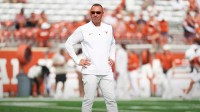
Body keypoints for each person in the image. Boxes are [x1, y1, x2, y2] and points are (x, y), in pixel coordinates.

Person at [65, 3, 118, 112]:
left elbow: (113, 43)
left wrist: (112, 57)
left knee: (111, 100)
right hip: (90, 71)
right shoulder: (83, 29)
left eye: (98, 12)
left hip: (106, 71)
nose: (95, 14)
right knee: (88, 100)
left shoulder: (109, 28)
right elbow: (68, 44)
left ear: (102, 14)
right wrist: (77, 60)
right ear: (90, 14)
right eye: (93, 12)